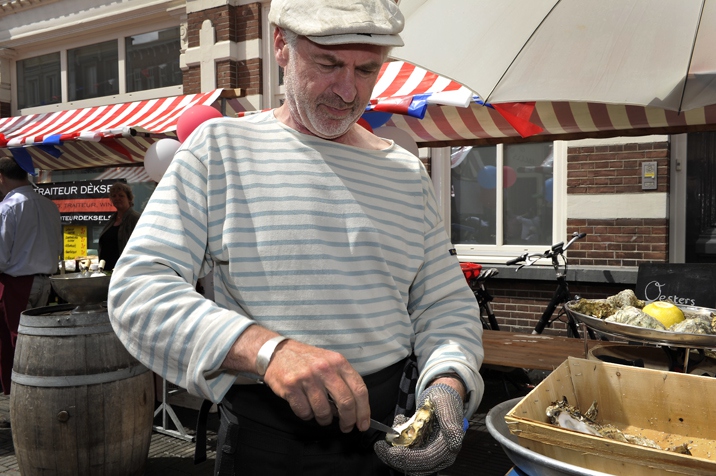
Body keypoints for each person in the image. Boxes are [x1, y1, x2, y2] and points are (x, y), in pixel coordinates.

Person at [107, 0, 484, 474]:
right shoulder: (220, 149)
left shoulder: (405, 172)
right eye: (328, 64)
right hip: (266, 443)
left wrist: (448, 382)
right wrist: (269, 351)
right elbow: (137, 290)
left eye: (367, 69)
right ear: (281, 45)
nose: (348, 91)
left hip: (387, 432)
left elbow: (444, 304)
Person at [0, 156, 61, 396]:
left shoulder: (8, 207)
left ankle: (23, 398)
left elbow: (1, 257)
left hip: (18, 283)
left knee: (17, 344)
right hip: (43, 281)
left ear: (1, 177)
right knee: (33, 342)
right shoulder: (49, 205)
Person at [98, 181, 140, 271]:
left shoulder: (136, 219)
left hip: (126, 271)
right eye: (114, 196)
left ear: (129, 198)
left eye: (121, 195)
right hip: (107, 271)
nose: (117, 198)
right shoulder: (112, 219)